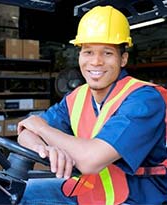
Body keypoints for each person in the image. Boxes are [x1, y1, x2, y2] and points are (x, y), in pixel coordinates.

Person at [17, 5, 167, 204]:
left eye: (107, 53)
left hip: (136, 199)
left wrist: (42, 129)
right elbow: (26, 131)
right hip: (90, 191)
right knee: (15, 193)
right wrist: (44, 149)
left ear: (123, 59)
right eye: (88, 52)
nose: (96, 62)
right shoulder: (77, 97)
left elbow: (90, 160)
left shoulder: (144, 100)